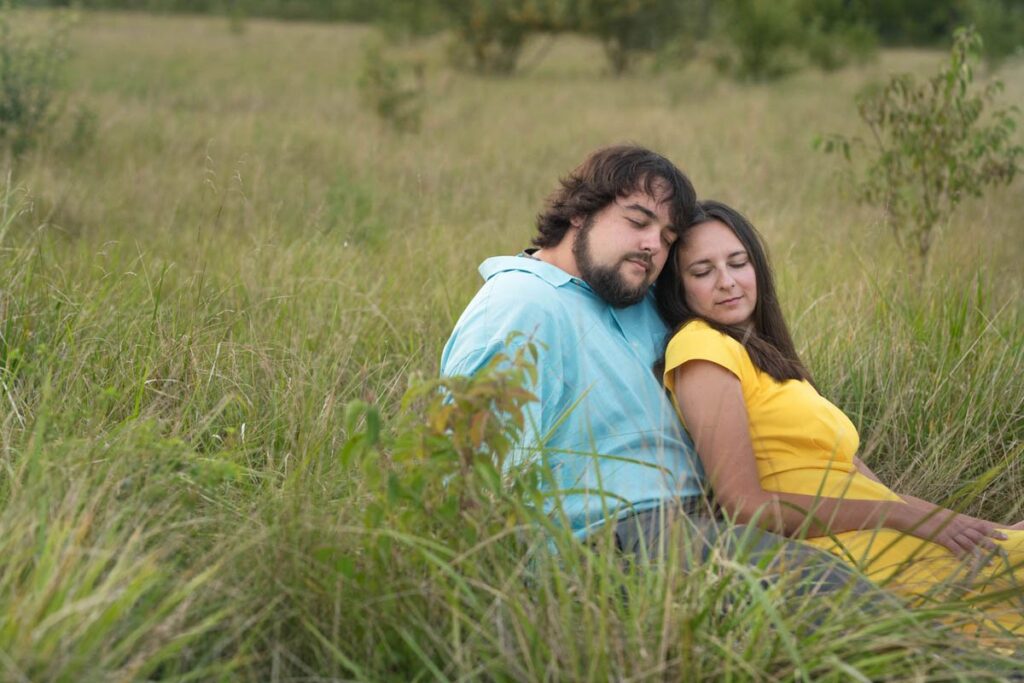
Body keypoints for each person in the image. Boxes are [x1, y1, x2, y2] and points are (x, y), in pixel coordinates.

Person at [441, 146, 874, 596]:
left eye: (668, 238)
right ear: (579, 213)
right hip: (609, 543)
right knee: (832, 590)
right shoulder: (520, 307)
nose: (654, 245)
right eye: (637, 221)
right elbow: (474, 486)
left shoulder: (638, 298)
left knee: (879, 572)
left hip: (706, 522)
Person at [655, 199, 1024, 632]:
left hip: (884, 535)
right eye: (702, 272)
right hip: (841, 554)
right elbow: (745, 507)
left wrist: (973, 526)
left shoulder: (769, 360)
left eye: (738, 263)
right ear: (679, 288)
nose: (727, 282)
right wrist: (909, 520)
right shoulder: (701, 347)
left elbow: (873, 488)